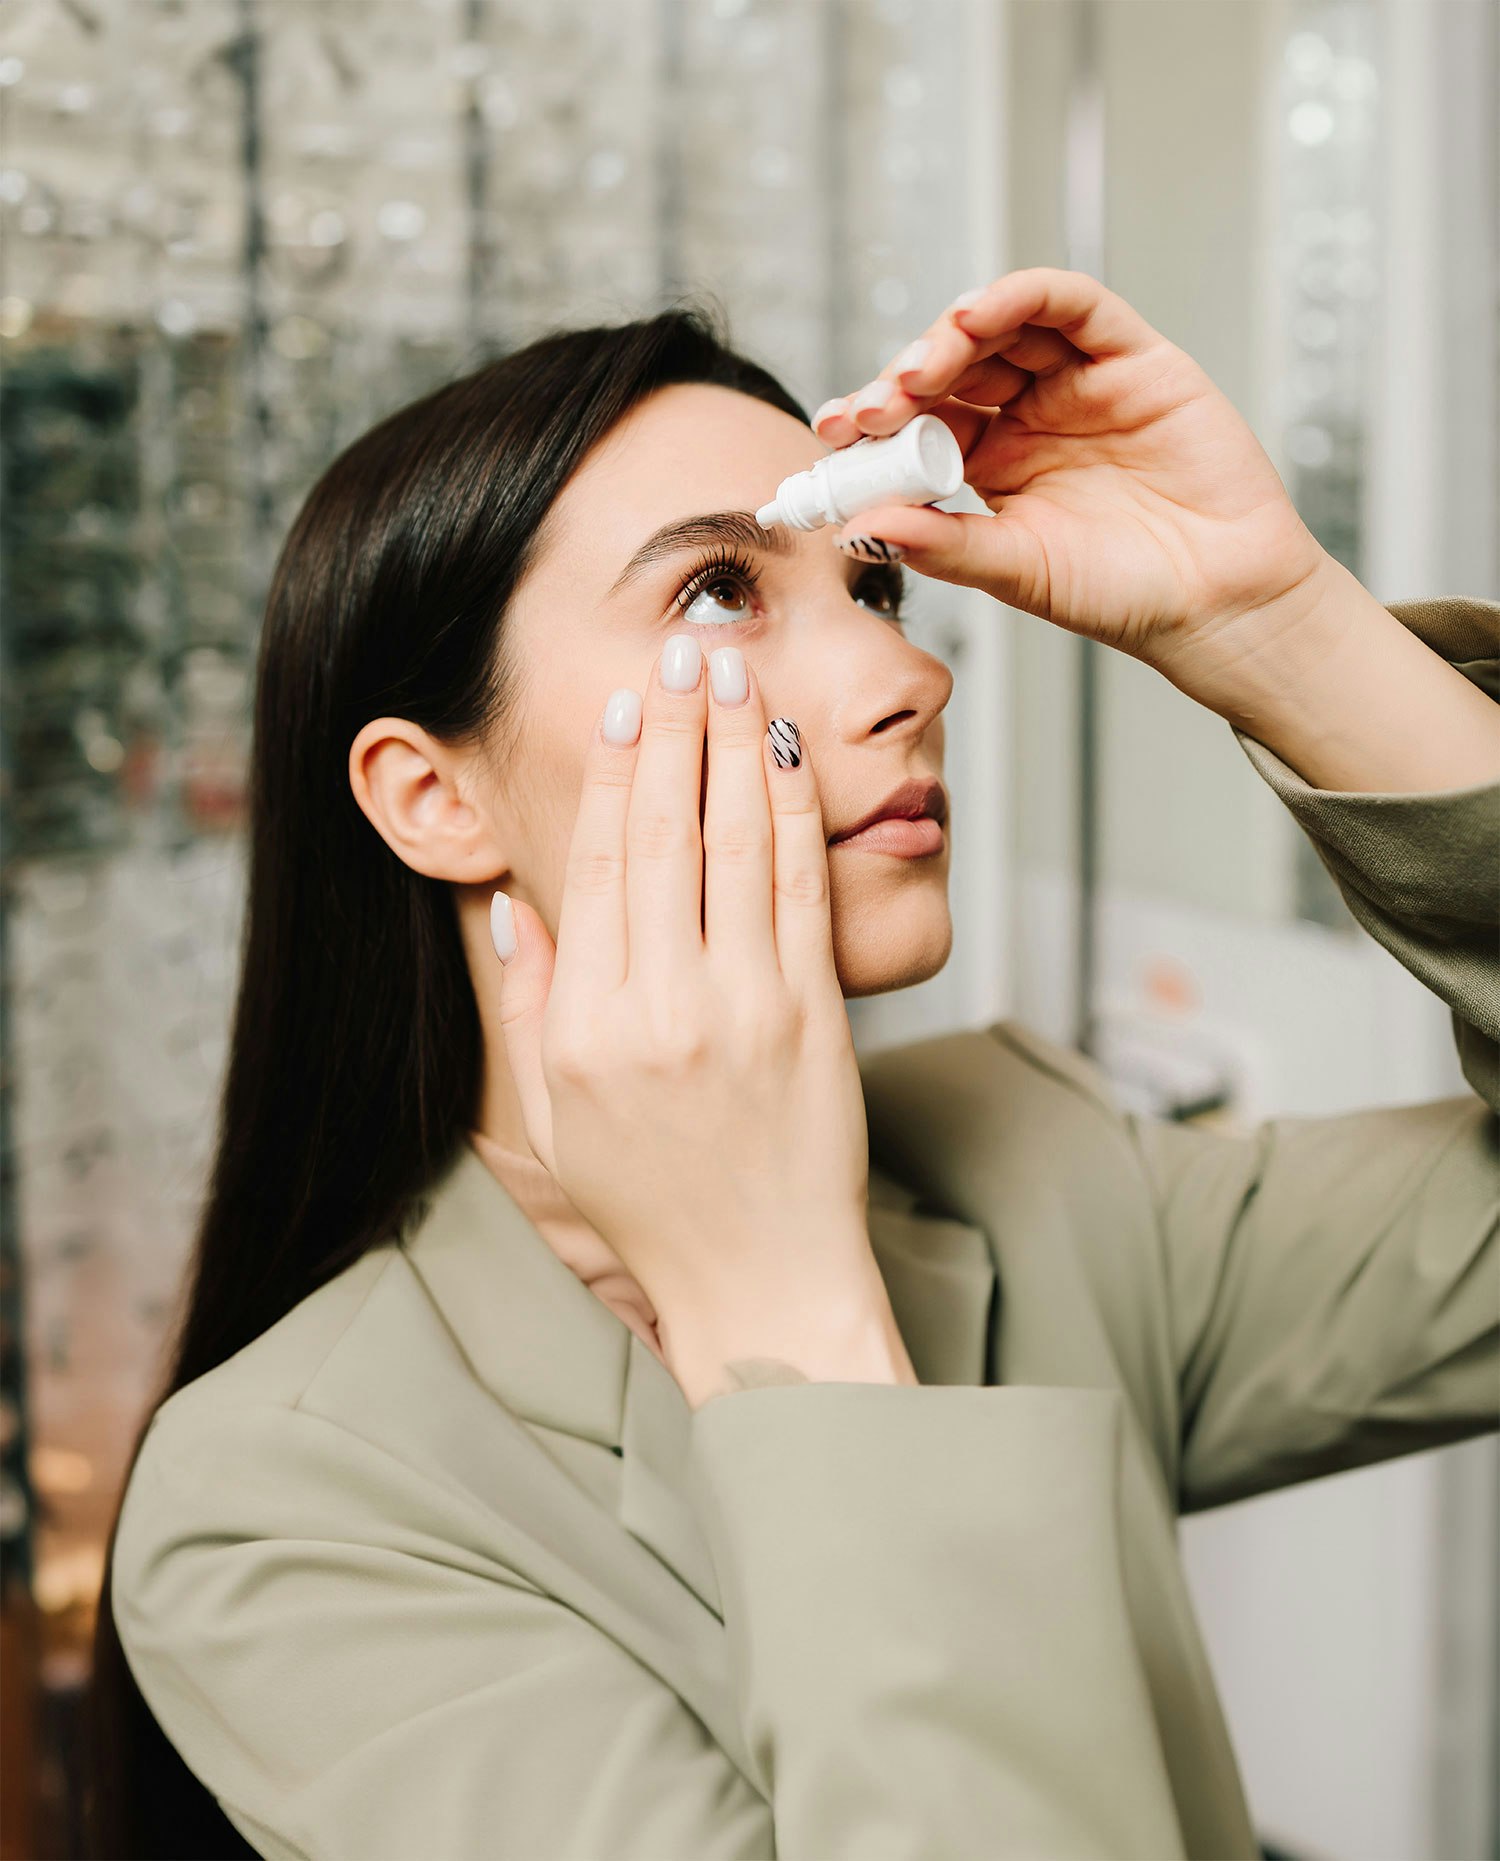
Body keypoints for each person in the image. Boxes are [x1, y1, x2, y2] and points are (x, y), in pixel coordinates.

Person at [90, 271, 1498, 1860]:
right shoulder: (281, 1502)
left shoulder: (1031, 1166)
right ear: (433, 796)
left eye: (877, 588)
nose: (912, 680)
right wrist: (779, 1298)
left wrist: (1276, 624)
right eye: (715, 594)